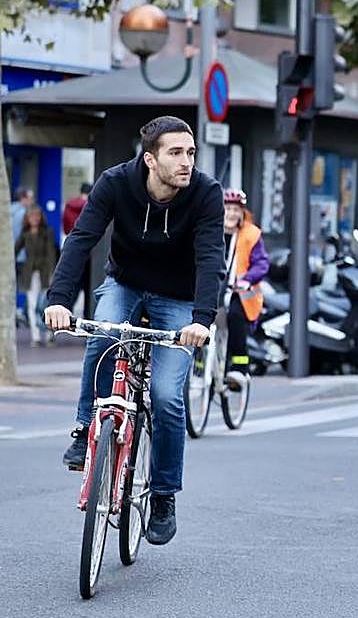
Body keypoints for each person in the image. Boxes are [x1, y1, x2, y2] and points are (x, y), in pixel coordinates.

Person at [43, 116, 221, 546]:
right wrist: (58, 300)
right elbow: (81, 239)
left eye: (191, 153)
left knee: (165, 395)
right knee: (102, 336)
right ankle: (87, 429)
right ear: (150, 159)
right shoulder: (115, 183)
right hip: (125, 283)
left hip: (178, 300)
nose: (187, 162)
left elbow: (210, 257)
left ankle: (162, 495)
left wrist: (202, 319)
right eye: (176, 153)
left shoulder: (205, 193)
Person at [220, 189, 268, 387]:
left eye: (235, 210)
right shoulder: (212, 230)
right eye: (228, 209)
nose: (231, 214)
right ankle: (201, 366)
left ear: (242, 213)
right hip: (216, 288)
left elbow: (262, 263)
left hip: (241, 293)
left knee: (235, 318)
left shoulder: (251, 234)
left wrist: (247, 279)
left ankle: (240, 368)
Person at [14, 204, 59, 347]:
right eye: (31, 216)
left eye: (37, 216)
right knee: (32, 305)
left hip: (45, 272)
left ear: (41, 217)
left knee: (45, 305)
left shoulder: (47, 232)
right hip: (29, 273)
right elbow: (15, 249)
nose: (34, 219)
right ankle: (36, 337)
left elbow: (51, 254)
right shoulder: (25, 233)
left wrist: (53, 273)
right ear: (27, 218)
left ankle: (49, 334)